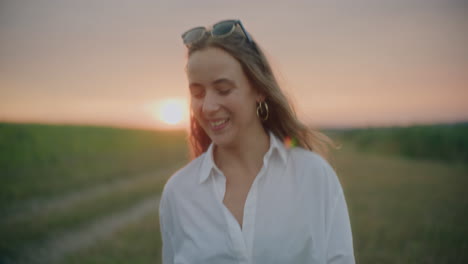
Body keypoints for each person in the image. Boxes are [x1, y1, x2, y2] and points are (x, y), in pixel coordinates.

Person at [159, 19, 355, 264]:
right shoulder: (178, 193)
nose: (207, 107)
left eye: (223, 90)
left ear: (259, 89)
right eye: (197, 93)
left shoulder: (314, 176)